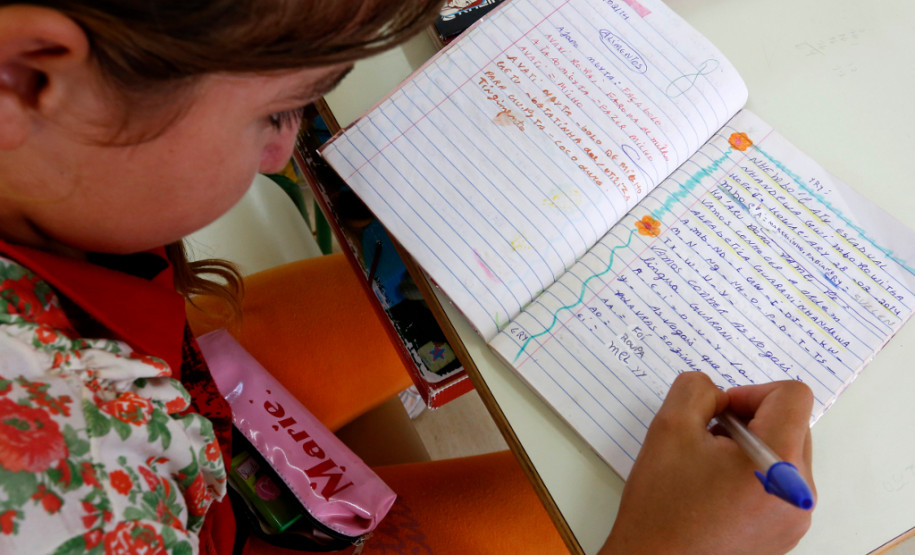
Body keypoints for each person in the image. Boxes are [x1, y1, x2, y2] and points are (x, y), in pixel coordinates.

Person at [0, 1, 815, 554]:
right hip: (161, 482)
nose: (285, 153)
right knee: (576, 503)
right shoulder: (57, 493)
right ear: (26, 76)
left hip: (159, 374)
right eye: (278, 111)